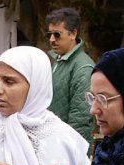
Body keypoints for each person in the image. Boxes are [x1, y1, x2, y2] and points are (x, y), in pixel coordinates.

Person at [45, 7, 95, 144]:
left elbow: (81, 121)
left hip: (66, 148)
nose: (51, 39)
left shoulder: (83, 68)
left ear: (73, 34)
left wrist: (71, 154)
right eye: (49, 34)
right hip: (51, 141)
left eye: (57, 34)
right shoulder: (58, 60)